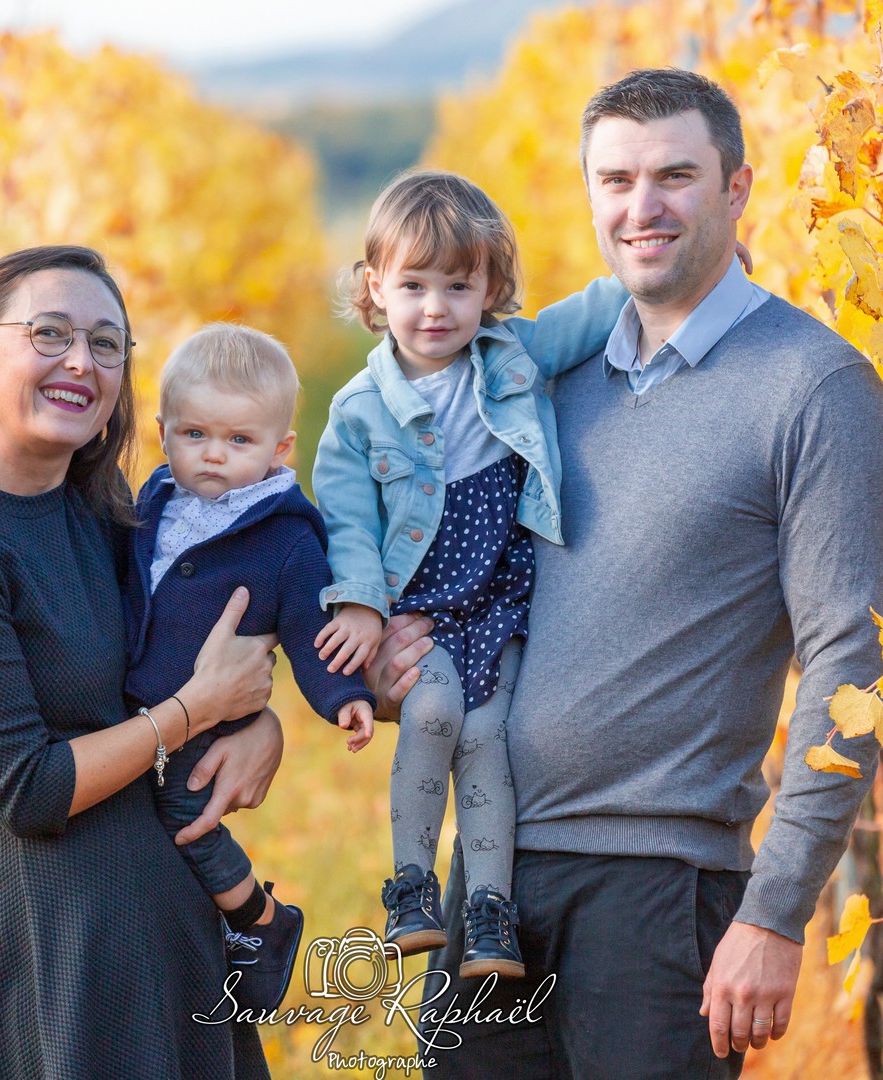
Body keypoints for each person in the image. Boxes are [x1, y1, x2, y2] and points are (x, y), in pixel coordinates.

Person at [368, 71, 883, 1078]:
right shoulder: (542, 383)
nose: (641, 206)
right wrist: (404, 652)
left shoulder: (815, 389)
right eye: (615, 180)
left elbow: (851, 665)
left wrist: (776, 912)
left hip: (662, 893)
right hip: (493, 876)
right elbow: (475, 571)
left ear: (738, 189)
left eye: (675, 176)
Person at [0, 246, 286, 1079]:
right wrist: (194, 713)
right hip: (65, 959)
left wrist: (261, 723)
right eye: (50, 333)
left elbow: (191, 659)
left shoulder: (106, 512)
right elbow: (30, 790)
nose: (80, 362)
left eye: (105, 344)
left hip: (175, 934)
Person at [312, 171, 627, 979]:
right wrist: (361, 604)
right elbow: (347, 521)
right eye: (413, 286)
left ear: (490, 290)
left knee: (490, 736)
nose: (436, 308)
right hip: (422, 602)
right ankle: (411, 889)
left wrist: (678, 269)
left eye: (459, 286)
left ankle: (490, 915)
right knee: (435, 712)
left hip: (498, 597)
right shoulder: (358, 411)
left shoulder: (509, 356)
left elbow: (589, 313)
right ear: (375, 288)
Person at [123, 322, 375, 1012]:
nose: (213, 455)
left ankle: (260, 922)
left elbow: (309, 629)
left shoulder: (285, 539)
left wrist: (343, 695)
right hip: (142, 708)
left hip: (205, 721)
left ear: (278, 449)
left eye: (239, 440)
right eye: (194, 434)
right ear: (164, 432)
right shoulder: (152, 503)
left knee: (184, 812)